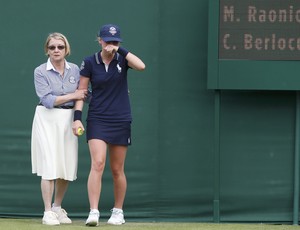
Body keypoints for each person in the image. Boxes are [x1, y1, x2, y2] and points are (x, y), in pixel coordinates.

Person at [72, 24, 146, 226]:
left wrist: (120, 50)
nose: (110, 45)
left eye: (115, 41)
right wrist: (77, 117)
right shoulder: (89, 62)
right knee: (98, 163)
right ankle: (94, 211)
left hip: (121, 119)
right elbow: (82, 91)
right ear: (99, 40)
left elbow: (141, 66)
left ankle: (118, 211)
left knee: (116, 169)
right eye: (107, 41)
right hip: (97, 118)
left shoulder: (123, 58)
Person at [31, 32, 87, 225]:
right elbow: (47, 100)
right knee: (49, 164)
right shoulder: (40, 71)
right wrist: (73, 95)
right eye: (52, 47)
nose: (56, 50)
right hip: (46, 119)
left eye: (60, 47)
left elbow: (83, 95)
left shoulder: (75, 70)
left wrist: (77, 118)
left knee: (65, 165)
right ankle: (47, 212)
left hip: (68, 119)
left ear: (66, 49)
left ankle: (57, 207)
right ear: (47, 50)